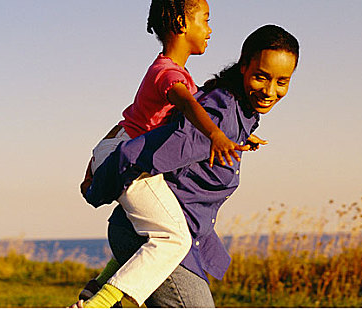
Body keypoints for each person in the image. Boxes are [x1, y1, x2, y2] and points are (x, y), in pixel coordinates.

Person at [78, 24, 300, 307]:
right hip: (149, 237)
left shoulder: (238, 111)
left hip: (157, 237)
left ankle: (103, 290)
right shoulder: (219, 115)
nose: (270, 90)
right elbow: (138, 151)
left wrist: (241, 134)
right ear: (244, 67)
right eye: (261, 77)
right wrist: (96, 187)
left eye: (282, 82)